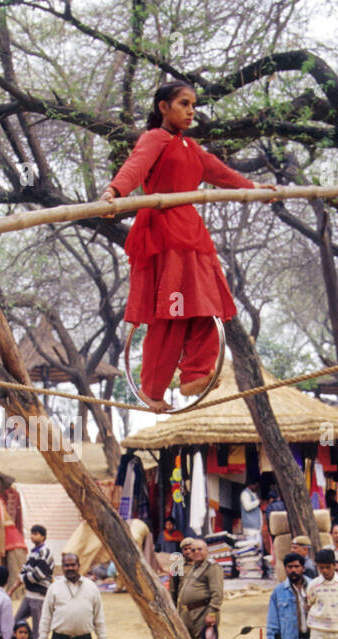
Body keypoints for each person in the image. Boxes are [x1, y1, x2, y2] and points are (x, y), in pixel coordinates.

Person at [99, 82, 275, 410]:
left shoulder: (191, 148)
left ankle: (195, 372)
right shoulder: (155, 139)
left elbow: (222, 174)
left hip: (192, 236)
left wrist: (253, 187)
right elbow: (135, 167)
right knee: (172, 312)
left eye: (193, 104)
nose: (191, 110)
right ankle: (153, 389)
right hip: (163, 236)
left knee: (207, 306)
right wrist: (115, 192)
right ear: (163, 107)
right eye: (183, 103)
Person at [177, 539, 224, 639]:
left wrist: (212, 612)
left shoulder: (212, 568)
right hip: (188, 612)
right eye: (193, 550)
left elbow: (217, 592)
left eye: (199, 549)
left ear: (206, 551)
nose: (195, 552)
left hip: (203, 612)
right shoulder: (191, 567)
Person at [14, 524, 54, 637]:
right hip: (29, 595)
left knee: (38, 631)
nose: (32, 536)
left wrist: (22, 578)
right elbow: (24, 569)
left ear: (43, 537)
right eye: (32, 534)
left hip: (39, 597)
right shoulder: (33, 553)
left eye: (35, 534)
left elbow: (38, 575)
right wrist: (24, 576)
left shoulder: (45, 552)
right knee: (16, 623)